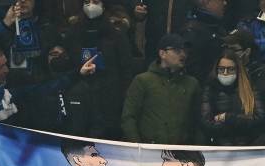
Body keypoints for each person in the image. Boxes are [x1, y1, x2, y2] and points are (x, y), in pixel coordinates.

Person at [0, 45, 97, 124]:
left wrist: (78, 73)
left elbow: (44, 89)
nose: (7, 70)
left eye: (6, 64)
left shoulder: (14, 81)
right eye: (1, 67)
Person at [64, 0, 135, 138]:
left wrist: (123, 95)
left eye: (95, 1)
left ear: (103, 5)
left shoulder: (116, 34)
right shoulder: (73, 33)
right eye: (86, 2)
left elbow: (126, 68)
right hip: (80, 93)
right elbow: (68, 63)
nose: (90, 5)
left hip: (109, 97)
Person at [122, 34, 201, 144]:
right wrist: (137, 146)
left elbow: (196, 122)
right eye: (177, 50)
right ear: (162, 53)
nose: (183, 54)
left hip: (180, 153)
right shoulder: (142, 81)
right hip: (147, 151)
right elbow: (129, 117)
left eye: (185, 51)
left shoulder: (192, 84)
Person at [19, 45, 105, 138]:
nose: (58, 58)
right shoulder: (40, 86)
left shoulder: (82, 87)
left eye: (62, 55)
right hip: (47, 145)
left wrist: (88, 146)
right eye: (54, 54)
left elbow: (96, 122)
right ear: (47, 58)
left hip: (78, 146)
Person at [200, 49, 265, 145]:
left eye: (230, 69)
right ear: (216, 69)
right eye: (222, 69)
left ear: (237, 70)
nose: (225, 73)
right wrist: (239, 125)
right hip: (219, 147)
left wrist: (228, 118)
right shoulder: (210, 89)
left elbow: (259, 119)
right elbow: (206, 124)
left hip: (247, 147)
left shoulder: (249, 88)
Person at [222, 28, 265, 123]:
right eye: (226, 48)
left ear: (247, 52)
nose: (228, 53)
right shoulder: (221, 73)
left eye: (233, 49)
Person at [180, 0, 228, 83]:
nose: (225, 3)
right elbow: (190, 71)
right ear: (206, 2)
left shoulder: (218, 29)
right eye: (221, 0)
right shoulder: (193, 32)